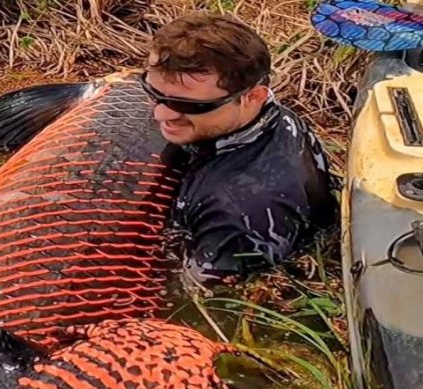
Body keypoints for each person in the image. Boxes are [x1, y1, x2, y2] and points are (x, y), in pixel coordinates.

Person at [140, 12, 337, 289]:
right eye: (154, 93)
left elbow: (201, 298)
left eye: (191, 106)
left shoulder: (238, 216)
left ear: (253, 96)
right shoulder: (262, 115)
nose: (161, 114)